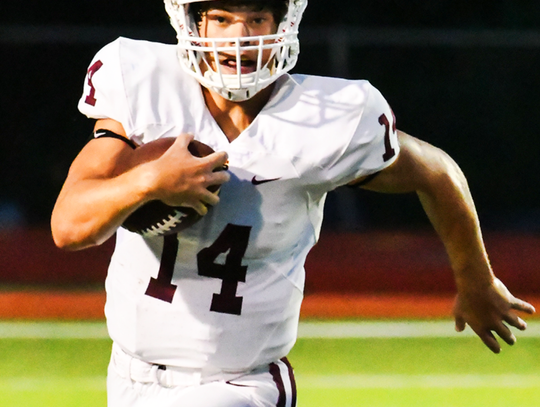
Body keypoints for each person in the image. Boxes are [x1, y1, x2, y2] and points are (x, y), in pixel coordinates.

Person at [51, 0, 535, 406]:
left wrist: (476, 278)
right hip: (128, 375)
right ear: (191, 22)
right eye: (221, 18)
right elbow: (70, 227)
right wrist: (152, 181)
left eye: (256, 18)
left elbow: (436, 170)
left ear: (283, 23)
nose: (238, 38)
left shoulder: (327, 118)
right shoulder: (142, 82)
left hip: (240, 385)